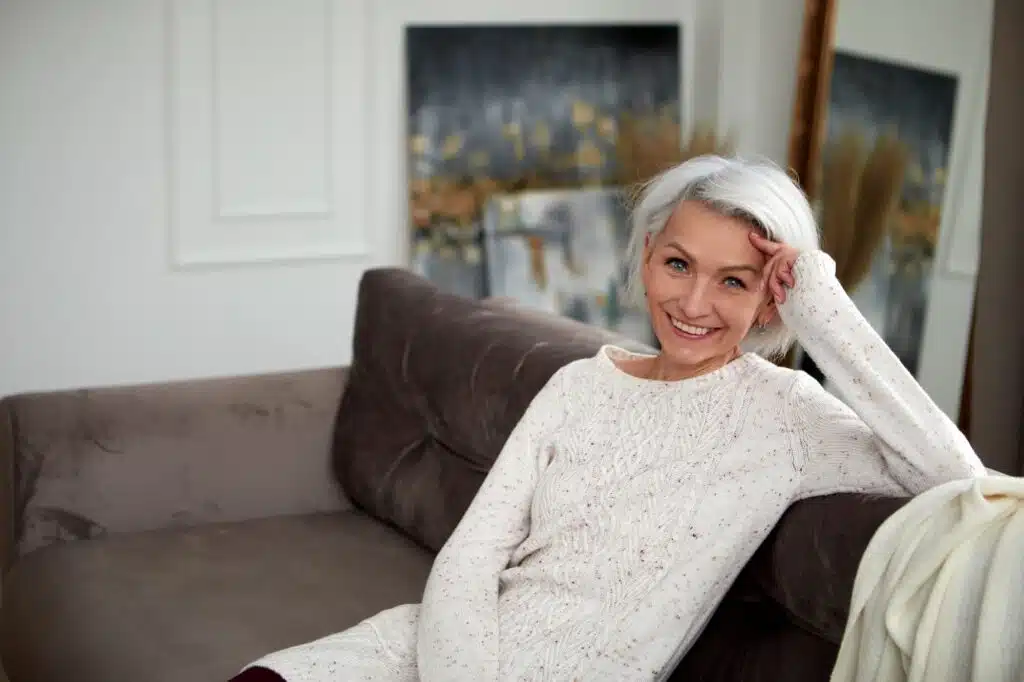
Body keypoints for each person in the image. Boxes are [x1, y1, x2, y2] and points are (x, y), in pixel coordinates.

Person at [234, 155, 986, 682]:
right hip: (435, 648)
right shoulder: (578, 385)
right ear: (649, 252)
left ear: (771, 300)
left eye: (735, 281)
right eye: (679, 265)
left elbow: (954, 477)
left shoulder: (785, 416)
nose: (693, 305)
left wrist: (822, 308)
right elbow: (470, 557)